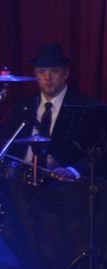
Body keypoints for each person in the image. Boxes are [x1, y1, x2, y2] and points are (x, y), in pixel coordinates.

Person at [1, 44, 95, 181]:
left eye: (54, 71)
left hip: (61, 185)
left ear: (65, 74)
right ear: (35, 75)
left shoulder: (84, 107)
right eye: (41, 72)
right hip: (20, 182)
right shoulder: (22, 107)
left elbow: (98, 156)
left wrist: (72, 171)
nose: (47, 77)